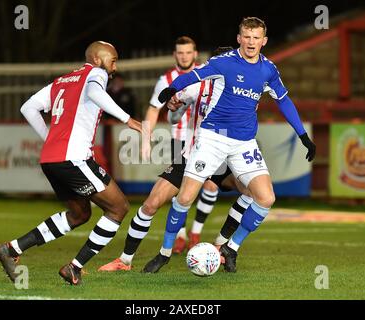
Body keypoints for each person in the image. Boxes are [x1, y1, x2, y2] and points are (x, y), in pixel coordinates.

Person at [143, 17, 316, 273]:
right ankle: (165, 253)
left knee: (266, 198)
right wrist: (171, 89)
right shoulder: (223, 62)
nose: (251, 42)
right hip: (212, 138)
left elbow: (284, 101)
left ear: (264, 41)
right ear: (239, 38)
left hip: (244, 143)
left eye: (256, 37)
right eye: (247, 36)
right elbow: (194, 75)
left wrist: (302, 135)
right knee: (185, 197)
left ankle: (231, 247)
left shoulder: (268, 69)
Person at [0, 41, 142, 285]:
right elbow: (94, 93)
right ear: (97, 59)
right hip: (74, 158)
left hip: (51, 159)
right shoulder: (96, 73)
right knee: (118, 208)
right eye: (113, 60)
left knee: (80, 214)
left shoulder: (62, 81)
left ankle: (12, 249)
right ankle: (74, 267)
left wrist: (49, 138)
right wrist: (127, 119)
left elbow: (28, 107)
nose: (115, 66)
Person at [97, 46, 253, 272]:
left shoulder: (243, 89)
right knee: (151, 203)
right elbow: (174, 115)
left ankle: (223, 246)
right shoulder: (199, 84)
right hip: (192, 155)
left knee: (251, 193)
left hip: (223, 158)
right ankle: (125, 260)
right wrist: (175, 107)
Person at [142, 36, 220, 254]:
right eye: (180, 53)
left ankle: (196, 232)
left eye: (188, 52)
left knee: (211, 185)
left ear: (195, 54)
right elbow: (153, 108)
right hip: (181, 139)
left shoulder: (208, 73)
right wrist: (145, 139)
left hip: (210, 139)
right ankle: (181, 235)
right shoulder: (166, 79)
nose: (184, 56)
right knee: (181, 189)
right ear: (175, 55)